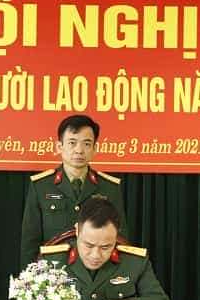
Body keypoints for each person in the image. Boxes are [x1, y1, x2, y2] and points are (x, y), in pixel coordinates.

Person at [35, 196, 170, 300]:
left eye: (105, 247)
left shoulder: (135, 263)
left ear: (116, 236)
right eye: (88, 245)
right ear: (77, 231)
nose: (96, 255)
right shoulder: (51, 261)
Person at [19, 114, 126, 268]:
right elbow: (30, 242)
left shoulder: (110, 187)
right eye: (72, 143)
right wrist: (30, 277)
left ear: (95, 149)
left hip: (97, 272)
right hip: (54, 272)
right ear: (59, 147)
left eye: (86, 144)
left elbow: (120, 239)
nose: (79, 150)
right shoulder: (41, 186)